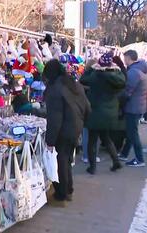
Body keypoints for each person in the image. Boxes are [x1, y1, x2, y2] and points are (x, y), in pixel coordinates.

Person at [44, 59, 91, 207]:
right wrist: (81, 122)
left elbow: (55, 118)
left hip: (63, 130)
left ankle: (61, 194)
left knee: (61, 161)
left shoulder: (54, 89)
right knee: (67, 159)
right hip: (75, 127)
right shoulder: (73, 84)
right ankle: (68, 190)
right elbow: (87, 107)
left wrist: (50, 141)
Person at [80, 53, 125, 175]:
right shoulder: (117, 75)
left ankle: (92, 167)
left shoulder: (95, 75)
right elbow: (123, 81)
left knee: (92, 141)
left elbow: (82, 79)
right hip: (109, 112)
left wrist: (92, 67)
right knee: (106, 138)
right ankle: (116, 161)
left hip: (95, 111)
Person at [117, 50, 147, 167]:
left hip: (133, 106)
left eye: (125, 58)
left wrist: (118, 100)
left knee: (132, 133)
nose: (124, 60)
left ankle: (139, 159)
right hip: (139, 105)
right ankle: (124, 153)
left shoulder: (134, 72)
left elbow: (127, 92)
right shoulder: (142, 69)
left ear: (129, 58)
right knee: (132, 131)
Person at [81, 58, 101, 164]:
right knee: (96, 135)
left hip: (86, 108)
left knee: (86, 133)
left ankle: (85, 156)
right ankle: (95, 155)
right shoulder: (100, 77)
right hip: (98, 109)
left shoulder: (84, 77)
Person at [110, 56, 128, 152]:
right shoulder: (124, 72)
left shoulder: (119, 74)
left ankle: (116, 145)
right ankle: (116, 144)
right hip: (120, 103)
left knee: (117, 126)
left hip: (118, 102)